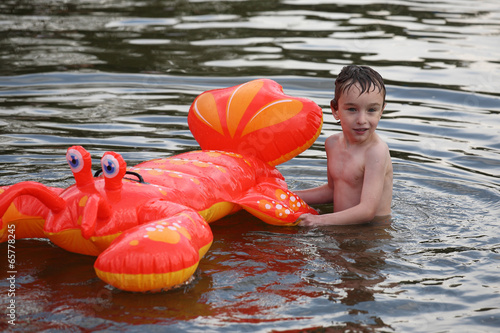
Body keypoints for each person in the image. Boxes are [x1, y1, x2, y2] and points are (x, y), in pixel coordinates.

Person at [296, 65, 393, 226]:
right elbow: (332, 190)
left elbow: (367, 211)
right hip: (338, 225)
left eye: (371, 110)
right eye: (352, 109)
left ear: (381, 110)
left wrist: (319, 220)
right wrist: (287, 195)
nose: (362, 119)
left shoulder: (376, 152)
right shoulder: (332, 144)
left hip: (369, 235)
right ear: (335, 110)